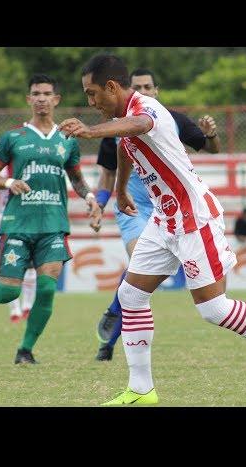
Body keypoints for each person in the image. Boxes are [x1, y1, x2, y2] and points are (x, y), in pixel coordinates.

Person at [59, 53, 246, 405]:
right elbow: (125, 145)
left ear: (112, 87)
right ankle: (141, 389)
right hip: (164, 220)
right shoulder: (123, 117)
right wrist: (119, 191)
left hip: (194, 217)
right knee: (130, 296)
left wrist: (88, 130)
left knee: (213, 309)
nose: (90, 101)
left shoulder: (146, 108)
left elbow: (139, 127)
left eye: (92, 93)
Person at [0, 74, 102, 365]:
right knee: (9, 290)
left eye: (47, 93)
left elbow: (77, 180)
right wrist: (8, 182)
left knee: (47, 288)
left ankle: (25, 350)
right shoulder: (12, 138)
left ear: (56, 99)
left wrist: (90, 199)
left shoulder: (67, 140)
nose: (41, 98)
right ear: (29, 99)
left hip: (53, 225)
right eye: (36, 93)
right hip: (18, 223)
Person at [94, 67, 221, 362]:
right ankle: (116, 339)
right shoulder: (114, 127)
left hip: (171, 207)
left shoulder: (169, 118)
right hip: (134, 209)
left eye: (148, 86)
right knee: (137, 262)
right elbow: (107, 174)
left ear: (156, 89)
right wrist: (100, 204)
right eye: (138, 87)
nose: (144, 91)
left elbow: (211, 149)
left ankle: (110, 332)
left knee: (210, 306)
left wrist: (211, 133)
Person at [0, 166, 36, 323]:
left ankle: (27, 307)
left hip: (27, 219)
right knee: (9, 264)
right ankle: (14, 310)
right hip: (5, 221)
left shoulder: (31, 167)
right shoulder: (0, 173)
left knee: (30, 265)